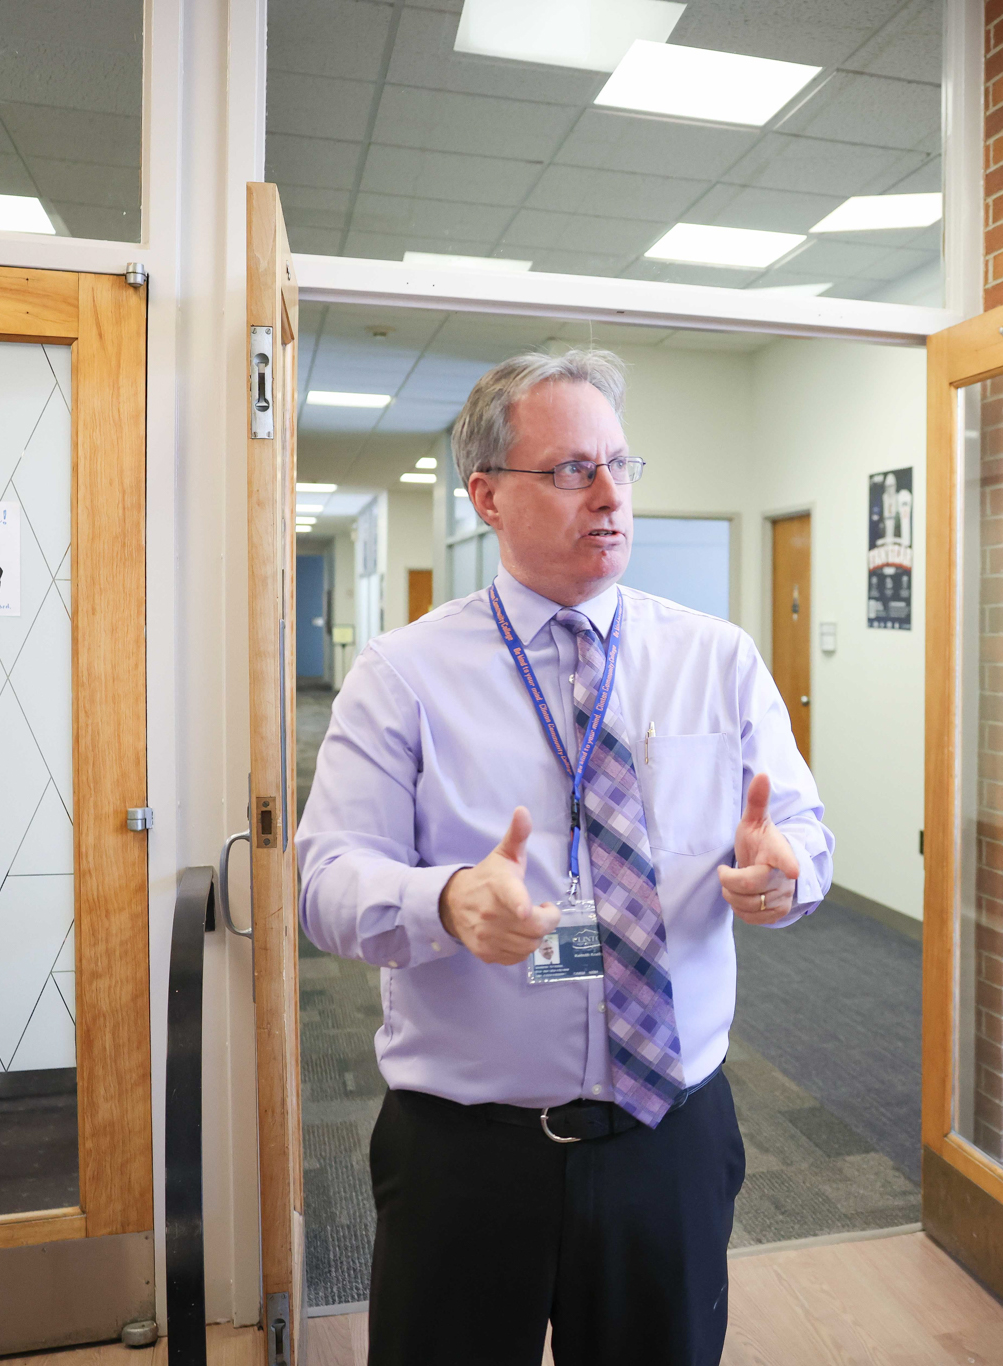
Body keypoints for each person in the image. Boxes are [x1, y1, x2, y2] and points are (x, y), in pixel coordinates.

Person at [298, 349, 832, 1366]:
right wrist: (445, 899)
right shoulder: (403, 676)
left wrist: (787, 871)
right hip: (469, 1150)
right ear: (487, 495)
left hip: (669, 1134)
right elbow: (326, 884)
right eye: (571, 470)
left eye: (621, 466)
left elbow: (804, 829)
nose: (608, 496)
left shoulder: (713, 659)